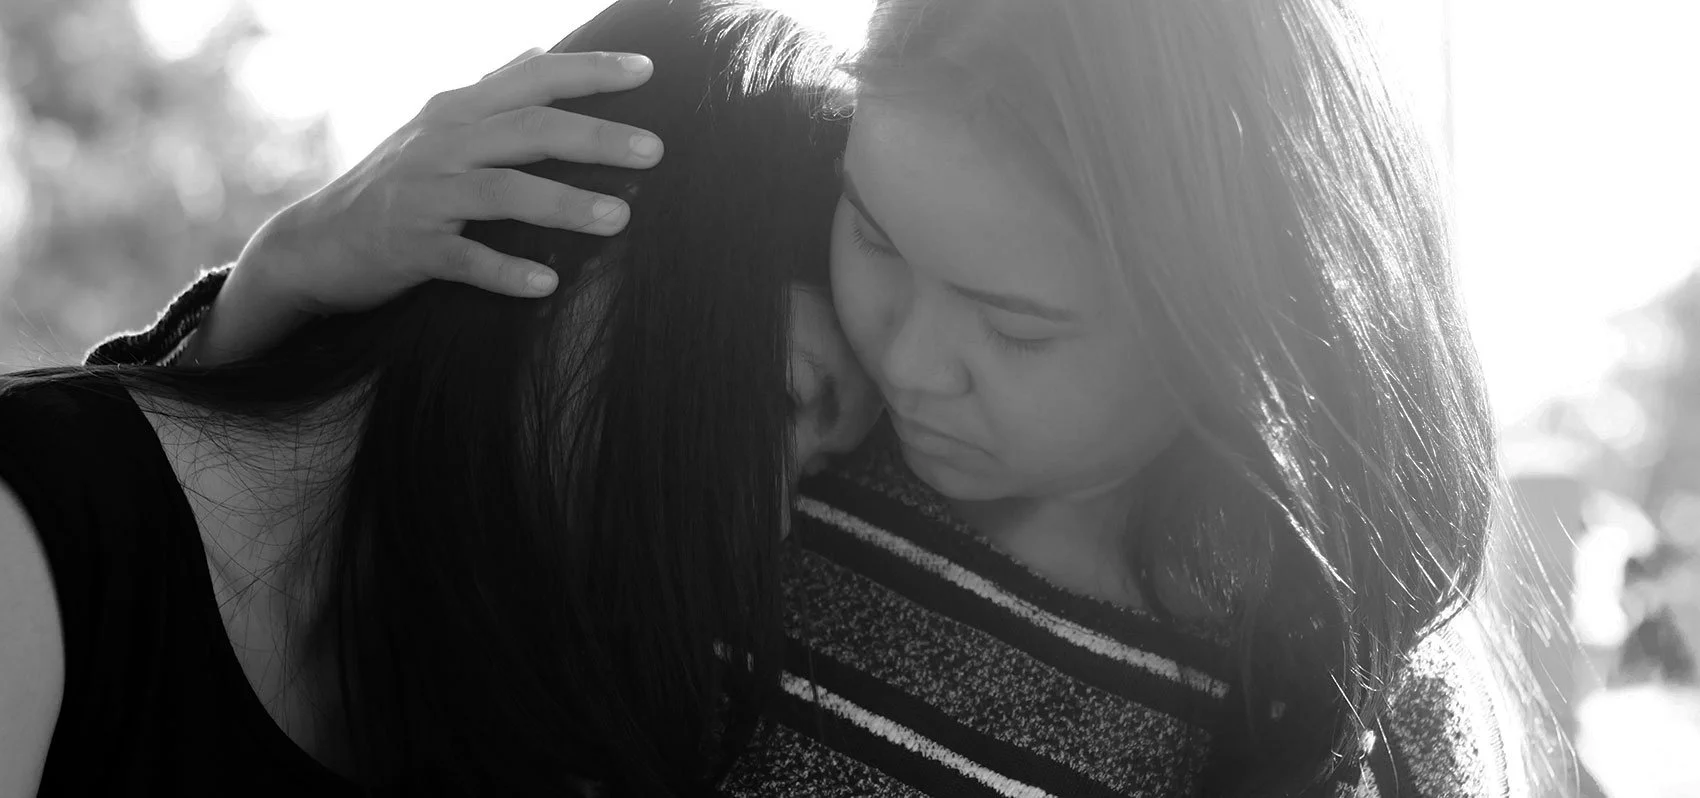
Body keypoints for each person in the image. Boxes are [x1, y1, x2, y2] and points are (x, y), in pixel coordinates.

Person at [74, 1, 1556, 796]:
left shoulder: (1332, 679)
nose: (907, 358)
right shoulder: (782, 452)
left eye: (1018, 324)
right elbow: (269, 615)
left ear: (1243, 340)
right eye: (878, 237)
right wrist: (273, 298)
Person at [0, 2, 883, 795]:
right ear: (580, 217)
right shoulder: (41, 534)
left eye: (814, 472)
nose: (774, 524)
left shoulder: (513, 716)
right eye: (780, 402)